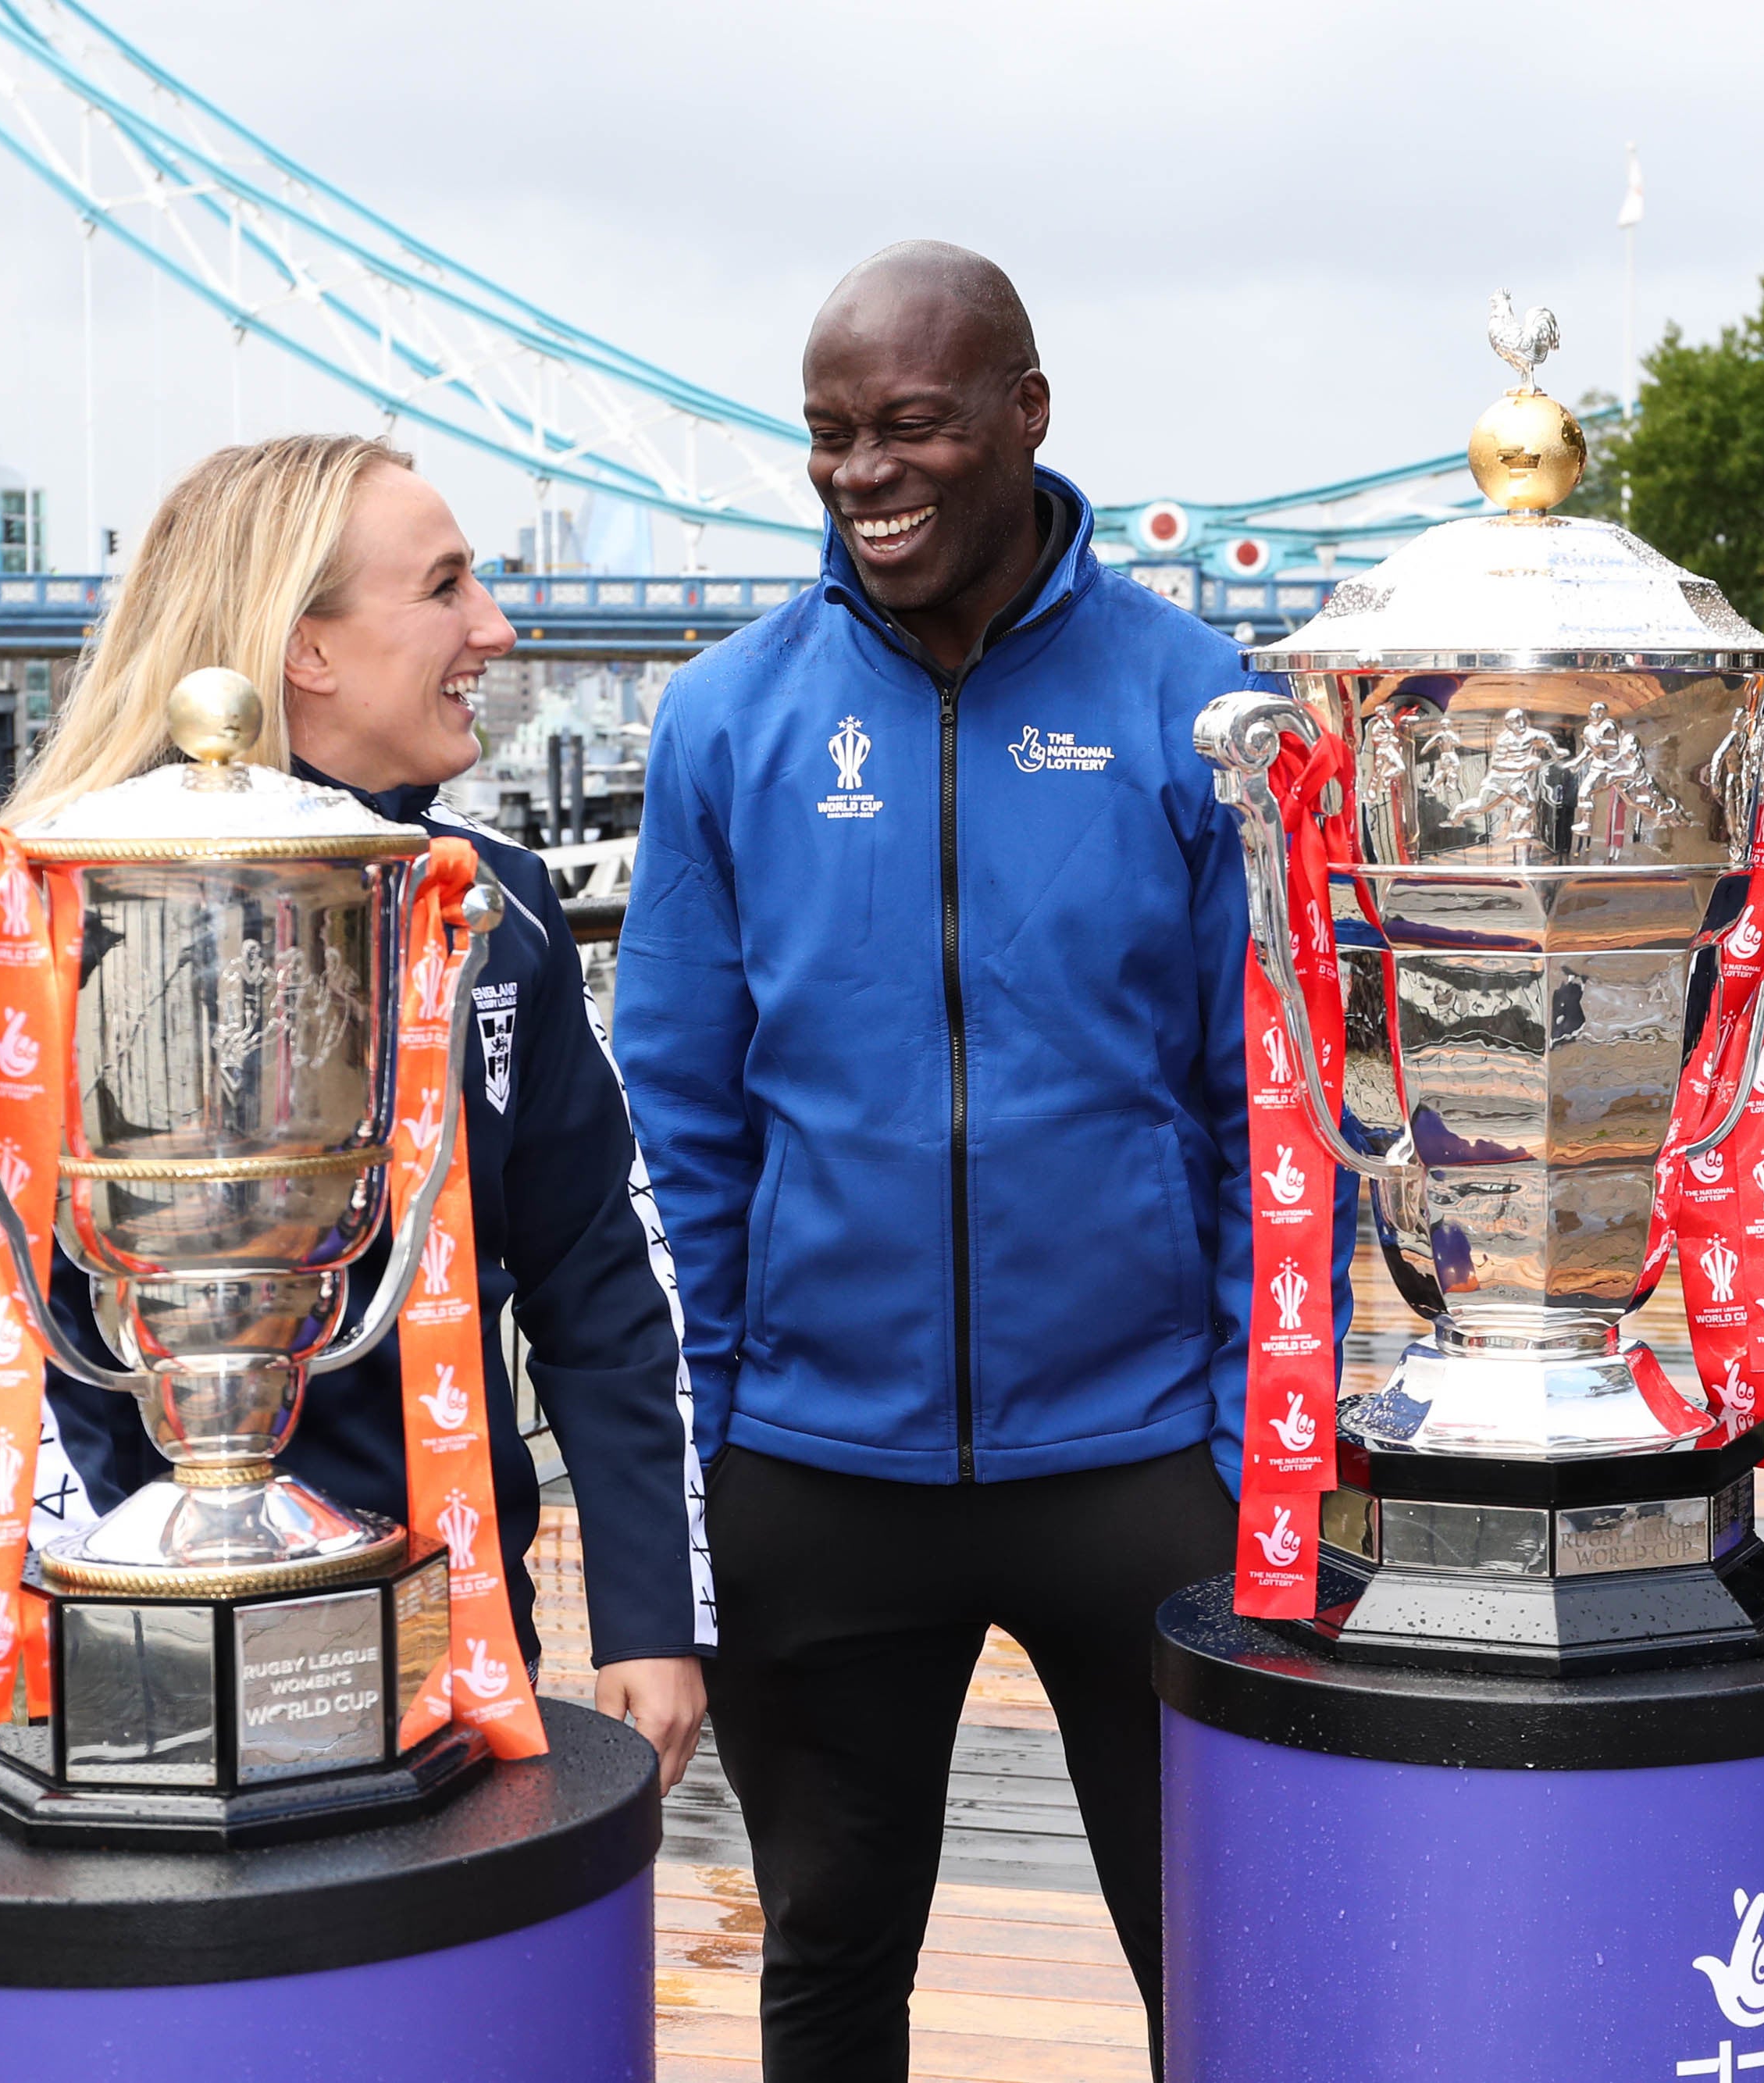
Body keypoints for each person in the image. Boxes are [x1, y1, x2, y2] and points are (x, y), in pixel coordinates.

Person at [615, 241, 1345, 2081]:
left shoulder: (1202, 710)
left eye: (910, 424)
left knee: (1226, 1959)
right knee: (830, 1957)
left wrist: (1268, 1443)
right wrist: (691, 1461)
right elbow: (684, 1124)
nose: (863, 472)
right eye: (827, 434)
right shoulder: (723, 720)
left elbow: (1278, 1117)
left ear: (1025, 413)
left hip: (1133, 1458)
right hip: (813, 1459)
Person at [0, 434, 711, 1791]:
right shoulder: (35, 914)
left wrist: (649, 1605)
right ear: (304, 649)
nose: (497, 629)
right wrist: (144, 1603)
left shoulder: (492, 908)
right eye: (445, 587)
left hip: (461, 1625)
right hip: (150, 1655)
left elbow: (600, 1271)